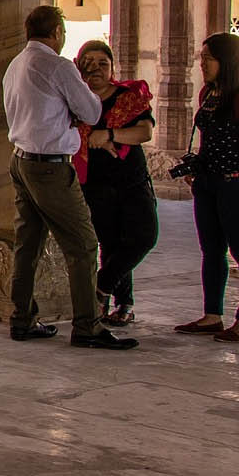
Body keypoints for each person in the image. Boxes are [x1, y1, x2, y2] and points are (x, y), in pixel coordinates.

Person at [3, 5, 133, 350]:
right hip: (50, 168)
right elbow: (91, 111)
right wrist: (80, 99)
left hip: (22, 160)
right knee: (83, 245)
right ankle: (88, 326)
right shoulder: (58, 66)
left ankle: (22, 318)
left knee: (28, 245)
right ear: (57, 33)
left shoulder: (17, 64)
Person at [173, 32, 239, 343]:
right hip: (208, 183)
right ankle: (212, 316)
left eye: (209, 58)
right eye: (202, 58)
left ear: (228, 61)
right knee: (212, 251)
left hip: (237, 184)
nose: (203, 64)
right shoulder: (209, 94)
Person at [70, 40, 157, 326]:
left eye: (102, 63)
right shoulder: (75, 101)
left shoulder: (128, 97)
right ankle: (122, 304)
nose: (96, 69)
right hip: (95, 184)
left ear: (112, 68)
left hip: (132, 180)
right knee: (111, 243)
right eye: (89, 63)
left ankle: (101, 286)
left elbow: (143, 132)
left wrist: (109, 135)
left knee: (143, 237)